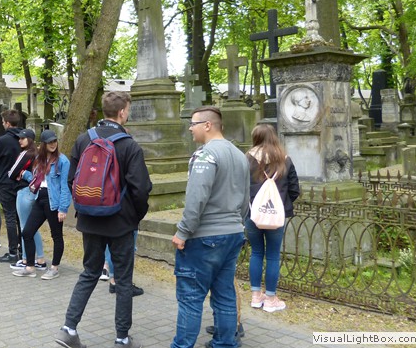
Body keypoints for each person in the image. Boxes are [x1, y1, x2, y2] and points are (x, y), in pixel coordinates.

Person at [55, 91, 151, 348]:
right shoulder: (129, 145)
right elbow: (141, 189)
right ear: (122, 112)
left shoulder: (83, 139)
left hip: (89, 220)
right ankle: (122, 338)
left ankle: (68, 329)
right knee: (123, 280)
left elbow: (72, 180)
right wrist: (135, 216)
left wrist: (86, 206)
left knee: (89, 272)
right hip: (121, 223)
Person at [170, 106, 249, 348]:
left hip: (204, 237)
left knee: (191, 298)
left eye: (193, 124)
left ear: (207, 125)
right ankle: (225, 343)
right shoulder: (239, 155)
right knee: (225, 294)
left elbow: (197, 197)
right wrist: (236, 223)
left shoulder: (205, 155)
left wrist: (183, 231)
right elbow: (246, 198)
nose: (190, 129)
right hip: (233, 233)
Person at [245, 124, 299, 313]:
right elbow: (295, 189)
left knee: (256, 252)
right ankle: (270, 298)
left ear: (256, 138)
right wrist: (281, 204)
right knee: (273, 255)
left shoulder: (247, 159)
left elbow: (240, 187)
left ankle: (255, 296)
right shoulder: (285, 160)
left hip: (252, 214)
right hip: (276, 216)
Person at [13, 130, 69, 280]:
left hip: (54, 202)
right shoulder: (39, 158)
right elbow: (37, 179)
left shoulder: (62, 161)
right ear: (43, 144)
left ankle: (54, 268)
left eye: (54, 141)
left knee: (56, 235)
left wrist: (63, 208)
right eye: (49, 142)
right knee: (27, 232)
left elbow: (65, 186)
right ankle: (30, 267)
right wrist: (25, 174)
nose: (53, 144)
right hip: (39, 198)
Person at [10, 129, 47, 270]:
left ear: (29, 139)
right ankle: (40, 259)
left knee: (25, 228)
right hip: (35, 192)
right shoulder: (39, 154)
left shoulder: (26, 154)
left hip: (24, 191)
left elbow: (11, 172)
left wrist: (22, 174)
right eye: (19, 138)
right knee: (32, 227)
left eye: (22, 138)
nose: (19, 140)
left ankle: (26, 259)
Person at [0, 109, 24, 263]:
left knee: (10, 217)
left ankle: (12, 252)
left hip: (5, 181)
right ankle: (23, 250)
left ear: (8, 123)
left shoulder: (3, 140)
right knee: (21, 218)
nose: (3, 125)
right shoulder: (25, 138)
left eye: (3, 122)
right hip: (21, 182)